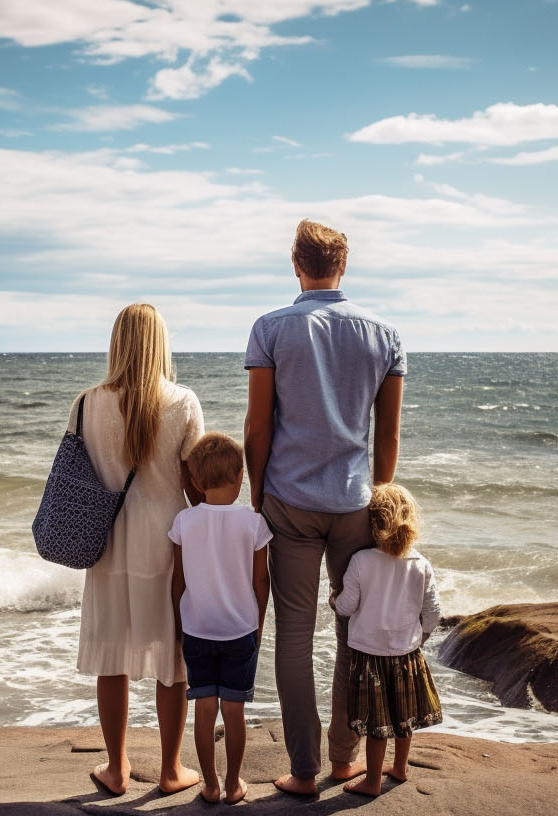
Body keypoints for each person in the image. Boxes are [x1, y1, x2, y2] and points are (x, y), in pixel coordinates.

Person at [243, 218, 406, 794]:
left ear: (296, 265)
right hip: (356, 502)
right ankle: (344, 759)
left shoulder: (270, 328)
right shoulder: (384, 334)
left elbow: (257, 427)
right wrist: (380, 497)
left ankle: (304, 770)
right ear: (343, 265)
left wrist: (257, 497)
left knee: (293, 633)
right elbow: (388, 435)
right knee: (352, 633)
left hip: (288, 500)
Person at [75, 303, 204, 796]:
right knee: (173, 658)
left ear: (117, 343)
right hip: (166, 544)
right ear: (161, 344)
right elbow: (196, 485)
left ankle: (116, 769)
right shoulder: (183, 401)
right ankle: (171, 770)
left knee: (113, 657)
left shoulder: (86, 403)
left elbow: (76, 477)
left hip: (106, 542)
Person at [169, 432, 271, 804]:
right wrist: (259, 622)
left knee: (204, 706)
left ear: (196, 482)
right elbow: (261, 580)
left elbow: (178, 580)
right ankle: (232, 785)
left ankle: (210, 785)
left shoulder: (184, 521)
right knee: (234, 710)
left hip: (197, 629)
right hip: (239, 630)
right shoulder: (253, 522)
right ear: (241, 476)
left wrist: (178, 623)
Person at [332, 483, 442, 797]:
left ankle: (372, 781)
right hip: (407, 654)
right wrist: (420, 637)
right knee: (404, 717)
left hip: (369, 655)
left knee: (376, 723)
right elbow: (433, 612)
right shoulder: (420, 564)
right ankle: (400, 768)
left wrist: (334, 600)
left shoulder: (361, 561)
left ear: (373, 523)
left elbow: (347, 607)